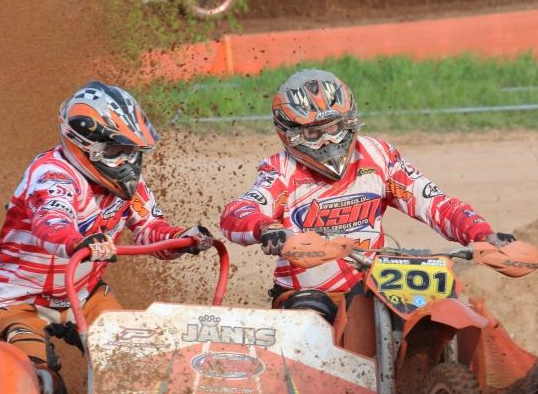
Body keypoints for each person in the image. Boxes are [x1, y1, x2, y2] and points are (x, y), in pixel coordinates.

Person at [0, 80, 211, 394]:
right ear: (85, 145)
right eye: (118, 150)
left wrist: (183, 238)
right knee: (39, 384)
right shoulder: (52, 173)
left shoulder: (129, 186)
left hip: (84, 295)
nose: (129, 162)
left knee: (133, 359)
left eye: (133, 151)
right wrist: (77, 241)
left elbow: (150, 228)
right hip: (18, 299)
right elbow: (51, 221)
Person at [219, 68, 518, 320]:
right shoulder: (281, 170)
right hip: (309, 295)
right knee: (312, 324)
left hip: (375, 282)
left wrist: (482, 234)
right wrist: (267, 229)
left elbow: (435, 203)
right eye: (313, 133)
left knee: (438, 311)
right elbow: (238, 211)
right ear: (290, 133)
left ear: (350, 121)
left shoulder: (378, 156)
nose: (328, 140)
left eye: (335, 127)